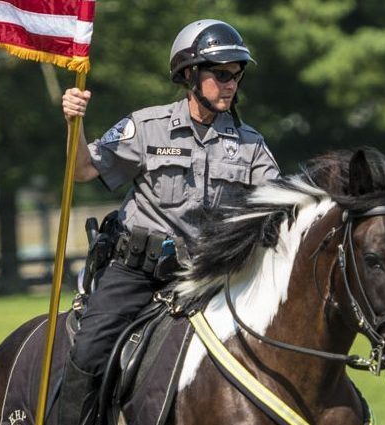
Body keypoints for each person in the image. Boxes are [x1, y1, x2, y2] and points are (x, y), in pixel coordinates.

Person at [57, 19, 282, 424]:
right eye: (221, 74)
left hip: (211, 278)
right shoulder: (145, 127)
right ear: (190, 74)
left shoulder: (251, 146)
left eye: (237, 74)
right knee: (89, 348)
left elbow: (280, 207)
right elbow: (83, 171)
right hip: (137, 272)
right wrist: (75, 123)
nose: (231, 83)